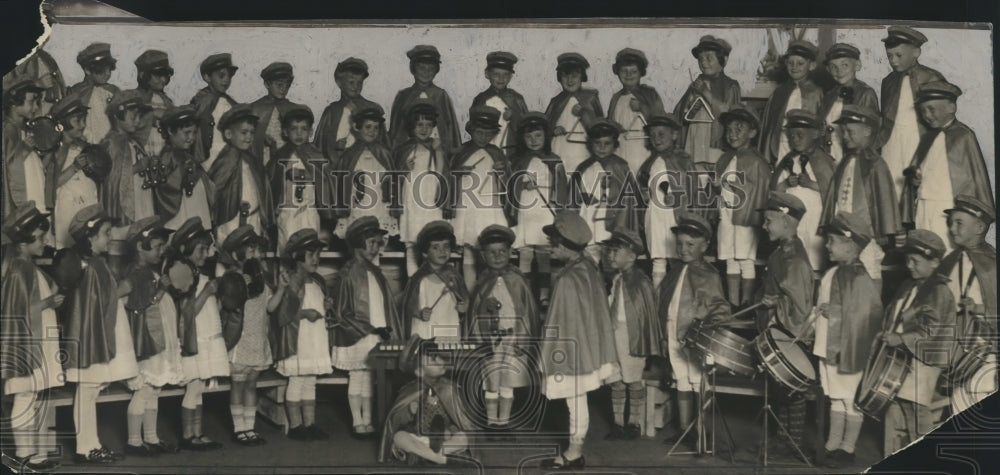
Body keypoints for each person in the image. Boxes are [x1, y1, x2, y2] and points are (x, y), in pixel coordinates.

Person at [538, 211, 620, 470]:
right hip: (587, 348)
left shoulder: (568, 278)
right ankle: (574, 451)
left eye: (553, 243)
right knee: (578, 399)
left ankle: (574, 454)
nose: (550, 247)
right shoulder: (587, 269)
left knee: (575, 400)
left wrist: (548, 353)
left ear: (564, 246)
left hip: (572, 352)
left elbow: (561, 324)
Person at [60, 204, 138, 464]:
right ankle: (85, 448)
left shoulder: (98, 264)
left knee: (91, 391)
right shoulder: (89, 267)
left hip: (98, 336)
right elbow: (90, 310)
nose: (109, 238)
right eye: (105, 233)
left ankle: (91, 443)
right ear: (90, 237)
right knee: (87, 390)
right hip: (90, 339)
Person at [812, 211, 882, 468]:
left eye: (831, 241)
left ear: (850, 244)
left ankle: (848, 447)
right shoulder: (832, 274)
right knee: (835, 396)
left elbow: (869, 314)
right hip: (827, 346)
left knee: (851, 398)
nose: (827, 246)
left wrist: (838, 313)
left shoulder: (860, 276)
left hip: (848, 349)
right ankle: (832, 444)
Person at [657, 212, 732, 448]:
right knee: (681, 379)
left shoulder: (708, 274)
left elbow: (720, 308)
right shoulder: (675, 271)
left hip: (695, 337)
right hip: (674, 333)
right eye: (679, 244)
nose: (683, 249)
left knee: (698, 381)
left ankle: (702, 432)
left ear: (705, 245)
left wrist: (708, 328)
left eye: (690, 244)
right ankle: (684, 429)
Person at [1, 204, 65, 471]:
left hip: (37, 340)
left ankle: (35, 457)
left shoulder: (27, 266)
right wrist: (49, 301)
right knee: (24, 396)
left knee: (33, 397)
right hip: (26, 342)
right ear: (24, 241)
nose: (45, 241)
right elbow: (15, 311)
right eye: (39, 237)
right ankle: (22, 457)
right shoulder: (18, 269)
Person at [882, 230, 956, 454]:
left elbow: (930, 330)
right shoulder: (910, 285)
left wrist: (900, 338)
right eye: (907, 260)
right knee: (907, 403)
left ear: (934, 262)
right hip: (909, 356)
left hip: (927, 358)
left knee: (917, 408)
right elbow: (895, 311)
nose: (910, 265)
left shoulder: (939, 290)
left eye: (915, 261)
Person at [331, 216, 404, 437]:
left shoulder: (376, 272)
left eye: (377, 242)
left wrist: (385, 328)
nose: (376, 247)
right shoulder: (348, 274)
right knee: (357, 376)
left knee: (372, 377)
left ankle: (369, 420)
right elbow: (342, 312)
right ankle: (357, 421)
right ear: (357, 244)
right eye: (371, 242)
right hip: (358, 334)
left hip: (377, 332)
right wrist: (369, 329)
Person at [755, 192, 815, 458]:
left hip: (791, 335)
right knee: (781, 387)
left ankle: (795, 441)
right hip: (777, 329)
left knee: (794, 389)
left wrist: (774, 302)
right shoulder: (781, 252)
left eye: (769, 220)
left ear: (787, 223)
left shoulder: (796, 260)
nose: (764, 226)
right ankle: (783, 437)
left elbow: (801, 307)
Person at [901, 81, 994, 250]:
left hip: (948, 208)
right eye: (923, 111)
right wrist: (915, 182)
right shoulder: (927, 139)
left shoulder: (963, 136)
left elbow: (975, 178)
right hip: (923, 206)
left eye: (931, 109)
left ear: (951, 107)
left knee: (947, 252)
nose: (927, 115)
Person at [466, 225, 540, 432]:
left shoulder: (518, 280)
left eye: (502, 251)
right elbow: (475, 314)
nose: (498, 256)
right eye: (492, 252)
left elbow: (526, 314)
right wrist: (479, 340)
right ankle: (491, 422)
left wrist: (522, 341)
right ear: (483, 255)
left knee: (508, 380)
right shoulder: (482, 283)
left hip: (513, 338)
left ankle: (504, 423)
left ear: (510, 253)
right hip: (490, 341)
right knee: (491, 380)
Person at [120, 217, 182, 457]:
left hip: (158, 333)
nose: (161, 251)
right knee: (145, 388)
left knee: (155, 387)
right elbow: (139, 303)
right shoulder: (137, 273)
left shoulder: (147, 271)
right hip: (147, 336)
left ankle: (152, 437)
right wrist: (162, 289)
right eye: (157, 246)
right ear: (140, 246)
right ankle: (134, 442)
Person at [820, 104, 902, 284]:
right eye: (843, 132)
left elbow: (884, 202)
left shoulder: (876, 164)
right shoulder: (845, 161)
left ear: (867, 131)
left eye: (850, 132)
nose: (845, 137)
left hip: (867, 233)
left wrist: (882, 232)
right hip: (843, 232)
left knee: (869, 269)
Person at [169, 217, 229, 451]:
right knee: (193, 387)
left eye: (207, 249)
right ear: (186, 250)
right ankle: (187, 436)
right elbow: (187, 313)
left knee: (200, 388)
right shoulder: (182, 274)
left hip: (207, 338)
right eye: (200, 250)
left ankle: (198, 432)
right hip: (194, 341)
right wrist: (206, 292)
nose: (205, 254)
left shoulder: (201, 275)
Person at [268, 228, 333, 441]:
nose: (316, 259)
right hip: (299, 339)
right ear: (297, 257)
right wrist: (305, 313)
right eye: (311, 254)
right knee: (296, 381)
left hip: (315, 339)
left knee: (310, 381)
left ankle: (310, 423)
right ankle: (296, 426)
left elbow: (319, 304)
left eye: (318, 254)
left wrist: (326, 305)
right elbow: (283, 316)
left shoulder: (317, 282)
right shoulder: (292, 282)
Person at [937, 195, 997, 414]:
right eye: (951, 223)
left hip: (984, 347)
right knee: (959, 404)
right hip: (958, 347)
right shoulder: (952, 258)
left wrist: (978, 309)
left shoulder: (990, 264)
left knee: (978, 400)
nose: (952, 229)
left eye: (959, 223)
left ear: (980, 227)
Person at [601, 228, 661, 440]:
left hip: (632, 336)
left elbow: (646, 312)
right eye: (610, 251)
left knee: (633, 378)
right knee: (615, 378)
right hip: (614, 331)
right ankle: (618, 422)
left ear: (632, 256)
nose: (611, 255)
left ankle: (633, 422)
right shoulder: (617, 279)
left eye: (616, 251)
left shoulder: (642, 281)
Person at [378, 335, 474, 466]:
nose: (441, 362)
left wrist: (451, 430)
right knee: (399, 437)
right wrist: (409, 412)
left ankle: (426, 455)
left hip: (442, 440)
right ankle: (438, 458)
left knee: (464, 437)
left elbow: (459, 420)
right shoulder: (410, 391)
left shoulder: (449, 388)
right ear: (419, 372)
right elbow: (396, 422)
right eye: (434, 360)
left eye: (439, 357)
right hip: (418, 438)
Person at [218, 226, 273, 445]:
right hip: (240, 341)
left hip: (258, 340)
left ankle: (250, 427)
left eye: (258, 250)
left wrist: (280, 289)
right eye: (252, 250)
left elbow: (269, 307)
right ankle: (238, 428)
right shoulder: (231, 278)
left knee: (252, 384)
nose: (257, 255)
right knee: (238, 385)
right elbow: (227, 306)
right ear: (236, 254)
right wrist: (241, 287)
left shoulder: (262, 281)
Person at [446, 105, 511, 290]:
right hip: (467, 206)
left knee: (489, 249)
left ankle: (488, 290)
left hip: (489, 207)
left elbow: (508, 181)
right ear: (471, 131)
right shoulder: (461, 152)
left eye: (488, 133)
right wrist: (457, 172)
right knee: (468, 251)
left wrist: (502, 171)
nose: (483, 137)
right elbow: (448, 176)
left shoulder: (497, 153)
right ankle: (470, 291)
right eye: (479, 132)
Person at [879, 26, 945, 196]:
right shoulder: (888, 81)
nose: (893, 60)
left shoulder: (931, 78)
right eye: (889, 56)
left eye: (899, 55)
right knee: (892, 187)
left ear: (916, 53)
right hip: (892, 141)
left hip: (919, 139)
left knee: (917, 188)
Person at [714, 106, 770, 306]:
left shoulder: (756, 161)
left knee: (746, 260)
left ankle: (746, 304)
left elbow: (758, 191)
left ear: (752, 133)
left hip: (745, 218)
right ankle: (733, 304)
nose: (732, 134)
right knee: (730, 258)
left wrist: (728, 185)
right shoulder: (726, 158)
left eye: (739, 129)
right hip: (727, 215)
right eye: (729, 130)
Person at [508, 111, 568, 294]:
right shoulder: (518, 161)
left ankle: (543, 294)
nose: (534, 141)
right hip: (526, 210)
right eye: (528, 137)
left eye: (538, 136)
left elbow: (561, 184)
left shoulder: (554, 159)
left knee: (543, 253)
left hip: (544, 210)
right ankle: (524, 292)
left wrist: (556, 200)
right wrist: (522, 184)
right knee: (525, 252)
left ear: (546, 137)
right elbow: (510, 184)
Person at [770, 109, 835, 271]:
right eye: (791, 136)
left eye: (800, 135)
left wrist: (811, 184)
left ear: (814, 135)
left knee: (814, 257)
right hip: (792, 219)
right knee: (793, 256)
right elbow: (774, 190)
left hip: (815, 217)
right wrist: (786, 183)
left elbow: (833, 191)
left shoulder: (824, 160)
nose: (795, 140)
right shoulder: (788, 160)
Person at [636, 113, 695, 287]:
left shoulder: (683, 160)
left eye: (661, 134)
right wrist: (645, 193)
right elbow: (643, 182)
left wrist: (679, 197)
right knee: (658, 257)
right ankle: (658, 296)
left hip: (674, 214)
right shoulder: (650, 161)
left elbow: (692, 188)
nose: (656, 139)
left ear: (674, 135)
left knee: (677, 256)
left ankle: (677, 296)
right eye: (652, 135)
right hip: (655, 214)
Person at [268, 103, 336, 250]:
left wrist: (306, 176)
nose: (299, 134)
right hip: (287, 211)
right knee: (286, 247)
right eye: (294, 129)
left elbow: (325, 180)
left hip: (309, 211)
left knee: (310, 248)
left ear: (311, 132)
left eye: (304, 129)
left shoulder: (316, 155)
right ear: (285, 132)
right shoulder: (280, 157)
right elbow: (271, 182)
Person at [394, 100, 447, 276]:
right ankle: (413, 281)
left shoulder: (435, 147)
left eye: (428, 125)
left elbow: (441, 171)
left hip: (430, 195)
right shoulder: (405, 148)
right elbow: (396, 175)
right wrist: (404, 167)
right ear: (412, 126)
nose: (424, 129)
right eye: (419, 125)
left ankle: (430, 280)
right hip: (411, 195)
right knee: (412, 242)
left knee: (431, 240)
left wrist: (438, 150)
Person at [673, 35, 742, 171]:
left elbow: (727, 115)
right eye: (700, 59)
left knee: (714, 173)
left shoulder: (730, 86)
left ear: (723, 60)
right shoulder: (696, 84)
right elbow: (680, 113)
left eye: (709, 58)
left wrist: (705, 92)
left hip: (714, 142)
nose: (704, 63)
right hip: (694, 138)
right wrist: (690, 106)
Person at [207, 104, 272, 245]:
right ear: (229, 134)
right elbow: (213, 191)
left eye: (252, 132)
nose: (248, 137)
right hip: (231, 222)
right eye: (243, 132)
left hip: (253, 219)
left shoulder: (254, 162)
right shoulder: (225, 161)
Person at [333, 105, 399, 242]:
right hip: (357, 206)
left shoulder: (384, 154)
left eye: (376, 128)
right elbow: (341, 183)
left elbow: (392, 181)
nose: (372, 131)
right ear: (357, 127)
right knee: (359, 242)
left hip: (379, 205)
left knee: (377, 242)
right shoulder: (349, 155)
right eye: (368, 127)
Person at [572, 118, 633, 264]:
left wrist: (607, 197)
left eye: (607, 144)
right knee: (590, 252)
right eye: (597, 143)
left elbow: (627, 195)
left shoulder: (620, 166)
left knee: (609, 254)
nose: (602, 148)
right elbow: (573, 193)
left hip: (610, 218)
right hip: (588, 215)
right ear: (590, 144)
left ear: (615, 145)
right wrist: (582, 196)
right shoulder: (584, 166)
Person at [400, 220, 469, 340]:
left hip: (449, 327)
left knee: (448, 355)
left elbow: (464, 299)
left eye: (446, 246)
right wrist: (419, 313)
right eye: (435, 247)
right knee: (426, 356)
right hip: (424, 330)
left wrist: (463, 307)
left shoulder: (454, 276)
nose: (442, 251)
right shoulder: (418, 278)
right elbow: (408, 307)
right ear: (425, 253)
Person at [389, 45, 462, 156]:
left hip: (437, 152)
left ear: (436, 71)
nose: (426, 72)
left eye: (431, 69)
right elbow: (396, 129)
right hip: (409, 154)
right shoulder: (403, 96)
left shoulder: (441, 95)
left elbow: (451, 127)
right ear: (413, 69)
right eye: (421, 68)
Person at [760, 40, 823, 166]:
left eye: (800, 63)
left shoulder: (816, 93)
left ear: (811, 65)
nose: (794, 67)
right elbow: (768, 126)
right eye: (790, 63)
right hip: (780, 144)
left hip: (804, 147)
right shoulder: (779, 92)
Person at [150, 105, 214, 231]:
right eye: (186, 133)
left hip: (196, 208)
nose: (192, 138)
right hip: (181, 212)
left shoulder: (188, 157)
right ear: (170, 131)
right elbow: (167, 189)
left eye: (194, 132)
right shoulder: (169, 157)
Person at [51, 97, 104, 249]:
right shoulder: (56, 150)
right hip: (68, 208)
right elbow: (52, 184)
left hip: (87, 203)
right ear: (63, 123)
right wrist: (74, 167)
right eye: (77, 121)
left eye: (83, 120)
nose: (82, 125)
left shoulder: (84, 146)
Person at [314, 58, 387, 162]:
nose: (355, 86)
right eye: (351, 82)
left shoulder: (373, 109)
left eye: (359, 83)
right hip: (335, 171)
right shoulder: (331, 111)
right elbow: (319, 146)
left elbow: (383, 145)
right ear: (339, 82)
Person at [817, 43, 879, 163]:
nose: (839, 71)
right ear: (828, 70)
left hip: (853, 155)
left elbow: (871, 132)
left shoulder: (866, 93)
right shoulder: (830, 95)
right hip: (829, 153)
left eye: (844, 65)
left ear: (857, 65)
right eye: (833, 67)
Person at [101, 90, 155, 226]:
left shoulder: (133, 142)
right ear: (118, 116)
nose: (137, 121)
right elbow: (109, 180)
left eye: (139, 117)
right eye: (133, 116)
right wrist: (137, 168)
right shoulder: (111, 144)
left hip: (142, 202)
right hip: (124, 210)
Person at [607, 48, 665, 172]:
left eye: (633, 71)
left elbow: (660, 120)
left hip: (642, 148)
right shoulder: (616, 98)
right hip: (621, 148)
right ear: (618, 73)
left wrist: (642, 107)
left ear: (641, 73)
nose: (628, 75)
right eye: (624, 71)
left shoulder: (649, 94)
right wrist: (614, 126)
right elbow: (610, 121)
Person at [545, 52, 603, 174]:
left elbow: (599, 128)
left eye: (575, 76)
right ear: (559, 78)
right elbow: (545, 127)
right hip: (559, 149)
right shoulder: (556, 102)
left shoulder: (590, 98)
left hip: (582, 152)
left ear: (582, 77)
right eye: (565, 76)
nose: (570, 80)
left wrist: (584, 114)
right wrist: (553, 130)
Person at [471, 51, 528, 154]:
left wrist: (514, 117)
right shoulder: (481, 99)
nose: (501, 79)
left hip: (511, 152)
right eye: (496, 74)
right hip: (486, 151)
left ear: (511, 76)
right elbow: (473, 127)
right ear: (487, 74)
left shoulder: (516, 99)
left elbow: (525, 128)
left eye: (505, 74)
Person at [2, 80, 44, 219]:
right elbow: (6, 166)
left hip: (34, 187)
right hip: (22, 194)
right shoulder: (7, 130)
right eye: (31, 102)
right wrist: (24, 149)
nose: (36, 107)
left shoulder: (26, 128)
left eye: (37, 103)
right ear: (14, 104)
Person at [190, 53, 239, 169]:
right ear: (207, 77)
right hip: (208, 158)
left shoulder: (230, 103)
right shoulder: (201, 101)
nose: (226, 80)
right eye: (221, 76)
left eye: (229, 76)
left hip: (229, 157)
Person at [67, 42, 120, 145]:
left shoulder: (113, 91)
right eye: (102, 71)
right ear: (87, 70)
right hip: (83, 146)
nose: (108, 73)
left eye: (109, 69)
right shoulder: (75, 93)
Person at [130, 50, 176, 157]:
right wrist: (153, 113)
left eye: (165, 76)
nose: (163, 80)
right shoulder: (133, 97)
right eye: (158, 75)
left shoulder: (167, 102)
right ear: (143, 75)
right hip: (141, 153)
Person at [250, 62, 295, 167]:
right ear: (267, 84)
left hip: (287, 161)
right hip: (263, 160)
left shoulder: (293, 109)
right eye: (279, 84)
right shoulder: (255, 108)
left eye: (287, 85)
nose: (283, 89)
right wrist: (261, 137)